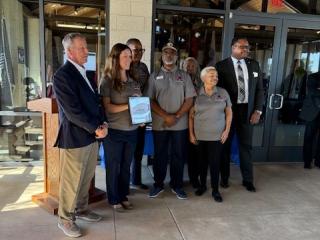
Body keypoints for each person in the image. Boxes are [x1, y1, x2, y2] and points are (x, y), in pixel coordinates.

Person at [53, 33, 108, 238]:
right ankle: (65, 219)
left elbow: (96, 101)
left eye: (86, 47)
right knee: (71, 182)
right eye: (82, 48)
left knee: (85, 178)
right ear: (69, 52)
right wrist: (96, 127)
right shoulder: (62, 75)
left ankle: (82, 209)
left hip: (92, 135)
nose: (87, 51)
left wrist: (103, 123)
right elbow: (72, 111)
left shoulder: (87, 72)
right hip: (75, 137)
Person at [146, 42, 196, 200]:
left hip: (179, 124)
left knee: (178, 155)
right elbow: (150, 100)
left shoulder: (185, 76)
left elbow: (189, 100)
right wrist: (166, 116)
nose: (169, 55)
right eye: (166, 52)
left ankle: (177, 185)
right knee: (159, 155)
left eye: (172, 53)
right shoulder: (154, 76)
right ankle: (158, 184)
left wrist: (177, 116)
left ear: (176, 57)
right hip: (160, 124)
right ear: (162, 56)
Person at [215, 37, 264, 192]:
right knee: (225, 146)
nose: (246, 50)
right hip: (228, 111)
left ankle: (248, 180)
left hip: (247, 112)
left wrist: (258, 110)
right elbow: (218, 92)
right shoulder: (221, 66)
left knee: (246, 147)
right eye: (242, 47)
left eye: (247, 47)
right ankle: (224, 179)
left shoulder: (254, 65)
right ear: (233, 47)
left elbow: (259, 90)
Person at [100, 43, 141, 211]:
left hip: (132, 131)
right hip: (114, 131)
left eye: (130, 56)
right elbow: (108, 107)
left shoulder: (134, 80)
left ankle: (123, 195)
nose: (128, 59)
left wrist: (141, 118)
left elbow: (139, 105)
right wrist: (130, 105)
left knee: (126, 166)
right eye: (125, 56)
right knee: (113, 166)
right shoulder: (108, 80)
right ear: (115, 58)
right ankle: (113, 198)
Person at [189, 67, 232, 202]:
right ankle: (202, 186)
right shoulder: (196, 94)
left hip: (217, 136)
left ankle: (215, 190)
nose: (215, 78)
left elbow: (229, 112)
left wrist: (227, 131)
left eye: (216, 76)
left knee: (215, 164)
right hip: (200, 135)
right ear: (203, 79)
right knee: (201, 163)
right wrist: (191, 134)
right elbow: (190, 116)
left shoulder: (223, 92)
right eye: (211, 76)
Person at [126, 38, 150, 190]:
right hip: (125, 114)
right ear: (127, 50)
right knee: (126, 150)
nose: (139, 53)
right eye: (136, 50)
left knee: (139, 149)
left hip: (141, 111)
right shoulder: (122, 66)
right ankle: (124, 183)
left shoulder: (144, 67)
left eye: (141, 50)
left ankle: (136, 180)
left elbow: (147, 89)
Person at [183, 57, 202, 188]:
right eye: (187, 66)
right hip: (180, 120)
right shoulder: (179, 80)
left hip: (197, 122)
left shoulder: (202, 83)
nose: (190, 69)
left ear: (197, 68)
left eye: (192, 66)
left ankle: (194, 178)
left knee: (195, 152)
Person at [299, 71, 320, 169]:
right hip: (312, 112)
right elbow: (313, 92)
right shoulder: (313, 77)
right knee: (309, 137)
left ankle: (318, 162)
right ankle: (307, 162)